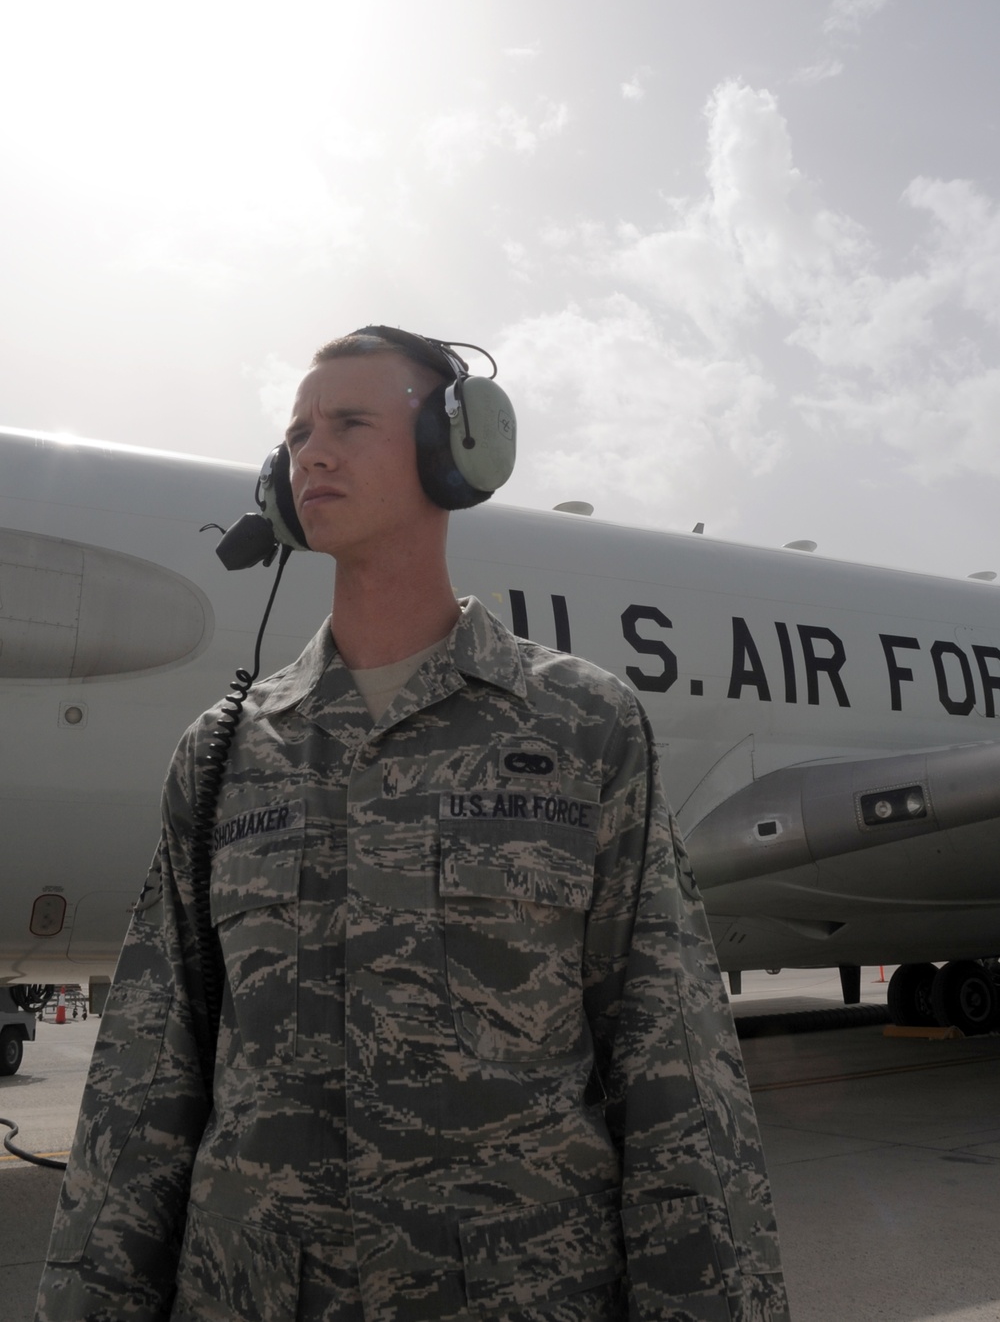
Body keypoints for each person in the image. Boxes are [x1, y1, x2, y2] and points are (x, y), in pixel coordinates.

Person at [37, 328, 788, 1321]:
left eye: (350, 422)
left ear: (455, 451)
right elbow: (144, 1070)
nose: (313, 451)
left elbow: (673, 1064)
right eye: (298, 432)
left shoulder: (578, 724)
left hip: (517, 1290)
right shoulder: (225, 750)